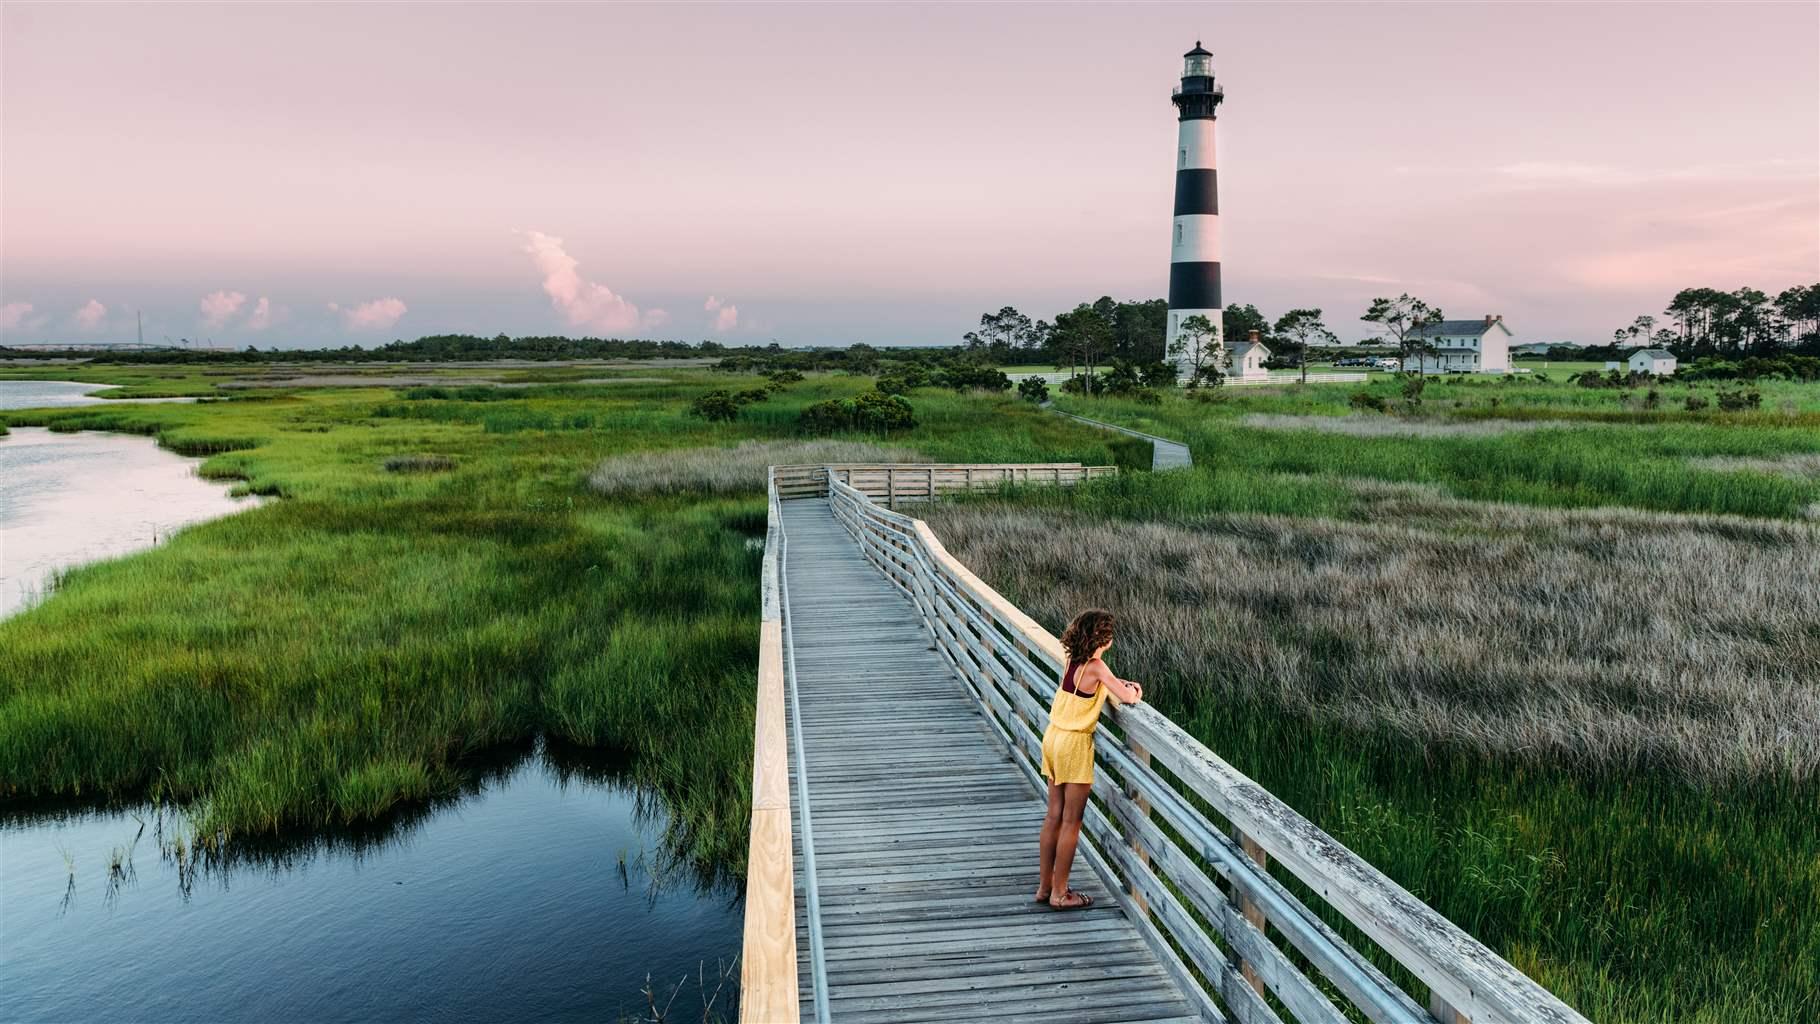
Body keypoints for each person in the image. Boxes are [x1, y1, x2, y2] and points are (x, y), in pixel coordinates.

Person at [1034, 608, 1143, 910]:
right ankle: (1060, 893)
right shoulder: (1096, 666)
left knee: (1053, 815)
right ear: (1103, 639)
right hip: (1074, 745)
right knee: (1072, 821)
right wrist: (1134, 689)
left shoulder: (1074, 662)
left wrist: (1115, 683)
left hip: (1054, 737)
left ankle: (1044, 888)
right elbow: (1128, 696)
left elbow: (1103, 684)